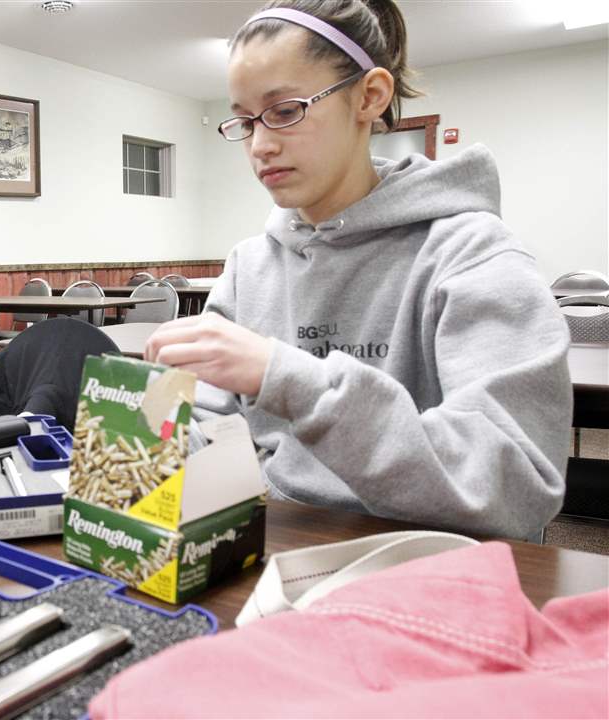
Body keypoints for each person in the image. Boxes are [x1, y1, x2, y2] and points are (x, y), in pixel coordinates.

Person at [145, 0, 571, 539]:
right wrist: (153, 436)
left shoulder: (471, 253)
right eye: (245, 121)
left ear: (370, 96)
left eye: (285, 111)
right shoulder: (248, 267)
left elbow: (514, 487)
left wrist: (290, 378)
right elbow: (202, 428)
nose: (260, 145)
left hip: (434, 565)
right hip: (278, 548)